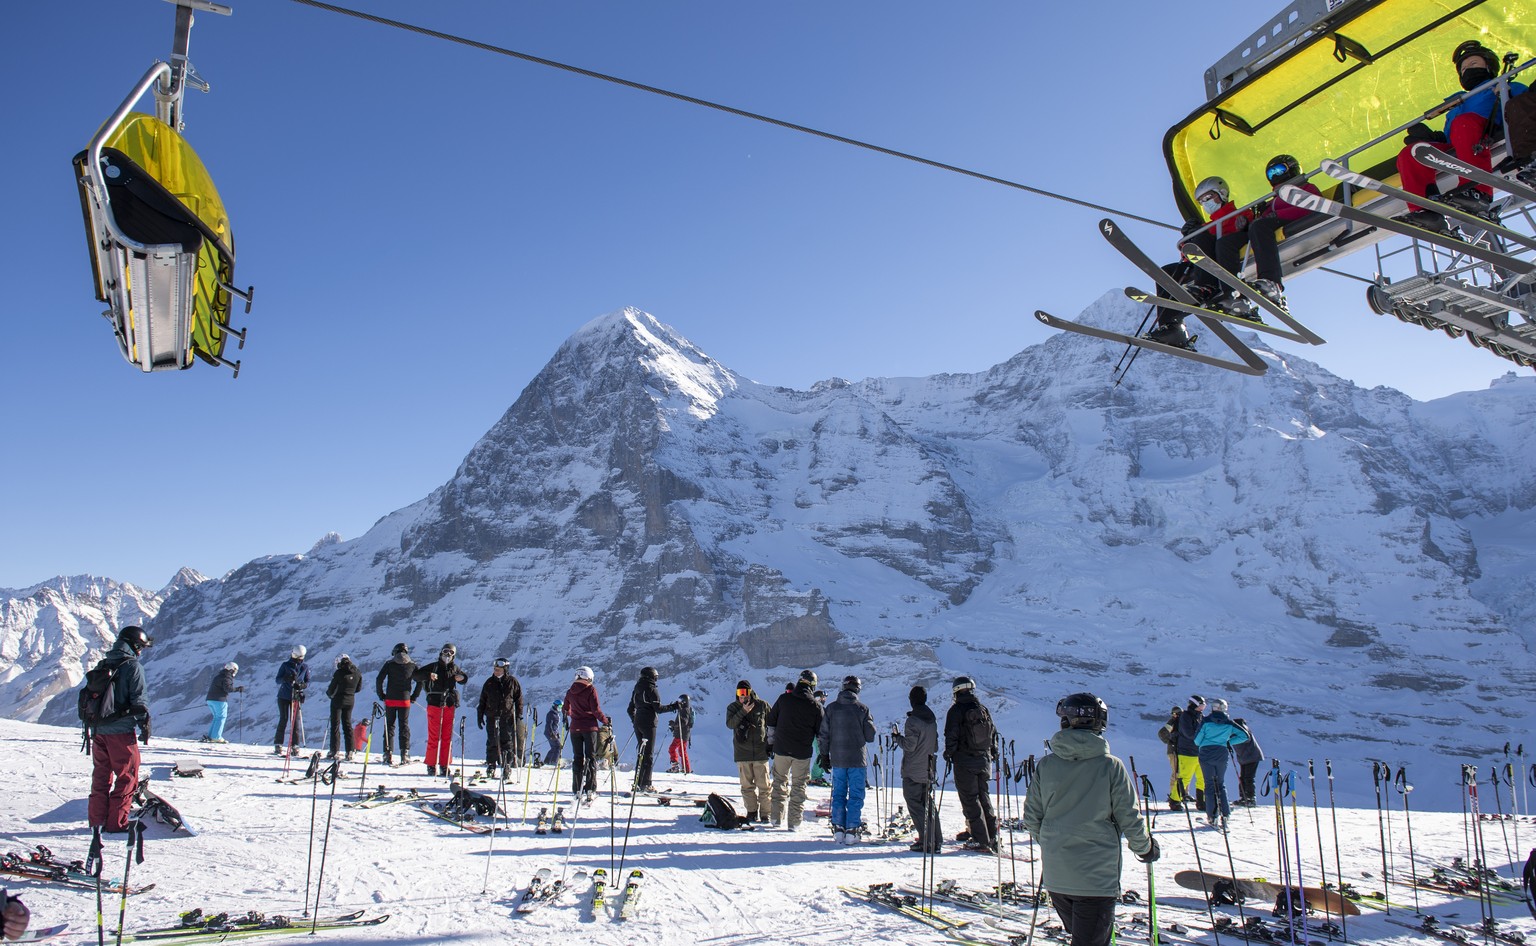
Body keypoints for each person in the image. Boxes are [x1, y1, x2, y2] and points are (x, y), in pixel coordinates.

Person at [1023, 693, 1158, 946]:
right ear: (1099, 723)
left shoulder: (1046, 765)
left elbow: (1032, 818)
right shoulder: (1111, 766)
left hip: (1057, 877)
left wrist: (1054, 841)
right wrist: (1146, 848)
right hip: (1096, 879)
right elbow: (1129, 816)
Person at [1395, 41, 1527, 231]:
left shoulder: (1505, 85)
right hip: (1461, 141)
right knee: (1408, 154)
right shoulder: (1456, 102)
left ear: (1489, 66)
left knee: (1464, 123)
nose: (1467, 71)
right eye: (1463, 69)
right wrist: (1431, 137)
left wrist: (1505, 92)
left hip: (1488, 134)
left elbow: (1525, 106)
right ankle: (1426, 212)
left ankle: (1479, 192)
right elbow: (1450, 137)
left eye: (1473, 64)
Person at [1145, 176, 1256, 350]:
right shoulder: (1209, 225)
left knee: (1203, 235)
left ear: (1222, 194)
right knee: (1167, 272)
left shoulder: (1239, 214)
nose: (1206, 203)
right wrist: (1187, 240)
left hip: (1225, 259)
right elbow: (1195, 250)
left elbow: (1235, 233)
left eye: (1209, 197)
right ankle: (1171, 327)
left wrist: (1199, 234)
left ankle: (1207, 287)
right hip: (1204, 262)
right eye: (1202, 201)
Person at [1239, 153, 1324, 313]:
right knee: (1249, 230)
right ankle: (1232, 295)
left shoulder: (1305, 188)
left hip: (1295, 220)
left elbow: (1312, 206)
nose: (1276, 176)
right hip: (1272, 224)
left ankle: (1272, 282)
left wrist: (1278, 215)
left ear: (1292, 168)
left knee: (1259, 227)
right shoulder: (1272, 200)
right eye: (1271, 174)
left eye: (1279, 170)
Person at [88, 625, 152, 835]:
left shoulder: (105, 663)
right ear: (133, 645)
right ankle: (117, 822)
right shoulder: (132, 666)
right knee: (127, 776)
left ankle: (96, 820)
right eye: (140, 647)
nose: (141, 651)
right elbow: (139, 700)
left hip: (98, 731)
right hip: (120, 733)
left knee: (101, 776)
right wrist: (144, 723)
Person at [944, 676, 998, 853]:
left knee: (970, 800)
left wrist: (949, 753)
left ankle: (980, 840)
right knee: (984, 798)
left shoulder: (956, 710)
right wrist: (992, 752)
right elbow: (993, 733)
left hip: (964, 761)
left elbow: (951, 735)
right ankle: (993, 837)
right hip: (984, 760)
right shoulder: (982, 709)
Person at [820, 675, 876, 844]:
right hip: (857, 760)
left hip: (837, 759)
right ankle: (852, 829)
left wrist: (824, 756)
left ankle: (838, 828)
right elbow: (870, 736)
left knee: (838, 793)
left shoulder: (831, 708)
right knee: (856, 795)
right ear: (857, 689)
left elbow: (823, 735)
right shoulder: (862, 709)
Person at [765, 670, 824, 830]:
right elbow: (822, 734)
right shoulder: (816, 706)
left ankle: (776, 819)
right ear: (813, 685)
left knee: (779, 783)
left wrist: (770, 744)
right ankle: (794, 822)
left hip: (781, 749)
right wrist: (824, 755)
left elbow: (771, 721)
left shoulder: (784, 699)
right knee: (798, 787)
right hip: (802, 753)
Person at [890, 684, 941, 853]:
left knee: (915, 804)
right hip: (928, 768)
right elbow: (935, 746)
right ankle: (936, 839)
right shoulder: (932, 720)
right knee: (928, 804)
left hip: (913, 769)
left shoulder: (913, 720)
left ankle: (926, 840)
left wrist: (898, 738)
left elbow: (910, 746)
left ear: (911, 701)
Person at [412, 644, 468, 776]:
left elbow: (463, 678)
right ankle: (431, 765)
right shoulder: (433, 666)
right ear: (441, 652)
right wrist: (428, 675)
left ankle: (444, 764)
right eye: (445, 651)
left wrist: (462, 678)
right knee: (434, 735)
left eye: (451, 652)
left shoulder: (454, 668)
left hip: (449, 704)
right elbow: (416, 676)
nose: (447, 655)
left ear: (454, 655)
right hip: (434, 703)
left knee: (447, 736)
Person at [1193, 698, 1249, 830]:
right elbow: (1244, 736)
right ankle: (1226, 814)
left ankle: (1212, 816)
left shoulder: (1206, 721)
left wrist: (1206, 742)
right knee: (1220, 783)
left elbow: (1197, 740)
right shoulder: (1229, 723)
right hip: (1221, 753)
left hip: (1206, 753)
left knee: (1209, 784)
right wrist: (1227, 741)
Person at [626, 667, 678, 792]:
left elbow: (630, 709)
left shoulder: (637, 688)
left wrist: (635, 720)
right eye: (656, 676)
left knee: (641, 752)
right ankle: (646, 784)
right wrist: (674, 706)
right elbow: (658, 708)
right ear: (652, 677)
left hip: (638, 722)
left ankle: (637, 783)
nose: (656, 679)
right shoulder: (652, 688)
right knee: (648, 754)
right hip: (649, 723)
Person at [726, 680, 770, 823]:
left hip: (760, 752)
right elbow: (730, 724)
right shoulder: (733, 707)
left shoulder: (762, 705)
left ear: (750, 692)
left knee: (764, 786)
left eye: (745, 693)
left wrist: (771, 745)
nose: (742, 697)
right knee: (747, 786)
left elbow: (772, 723)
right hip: (742, 753)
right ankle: (751, 812)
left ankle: (765, 814)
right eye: (739, 693)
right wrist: (743, 711)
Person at [563, 667, 609, 802]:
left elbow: (566, 710)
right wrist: (605, 721)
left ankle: (576, 789)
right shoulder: (590, 690)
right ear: (589, 677)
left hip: (575, 728)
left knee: (577, 758)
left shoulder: (570, 691)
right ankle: (590, 789)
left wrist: (575, 716)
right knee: (590, 758)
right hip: (590, 728)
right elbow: (595, 710)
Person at [477, 657, 523, 779]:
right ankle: (491, 764)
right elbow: (482, 700)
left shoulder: (512, 682)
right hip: (492, 716)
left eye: (498, 669)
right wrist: (480, 715)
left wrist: (518, 715)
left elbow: (518, 700)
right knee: (492, 741)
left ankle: (507, 764)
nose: (496, 671)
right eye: (495, 669)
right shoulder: (489, 682)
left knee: (507, 742)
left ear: (505, 669)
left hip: (507, 717)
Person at [375, 643, 419, 766]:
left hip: (390, 699)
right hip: (405, 700)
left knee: (389, 726)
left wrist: (381, 695)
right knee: (404, 726)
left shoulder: (389, 664)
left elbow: (379, 679)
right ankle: (405, 754)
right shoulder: (412, 665)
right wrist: (414, 696)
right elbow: (420, 681)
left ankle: (387, 754)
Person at [273, 646, 310, 756]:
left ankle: (295, 745)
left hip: (295, 696)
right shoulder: (285, 665)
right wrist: (286, 678)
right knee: (284, 719)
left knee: (295, 721)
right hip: (284, 696)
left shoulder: (304, 667)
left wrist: (302, 686)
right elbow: (277, 680)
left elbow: (307, 681)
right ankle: (278, 744)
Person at [324, 655, 363, 761]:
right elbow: (358, 688)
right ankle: (350, 751)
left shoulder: (339, 673)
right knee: (347, 725)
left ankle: (334, 750)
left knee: (335, 725)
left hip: (337, 700)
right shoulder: (357, 672)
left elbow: (332, 688)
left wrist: (329, 694)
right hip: (350, 700)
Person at [1173, 694, 1206, 811]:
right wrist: (1203, 737)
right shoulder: (1186, 716)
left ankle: (1201, 801)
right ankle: (1175, 800)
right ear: (1194, 705)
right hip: (1187, 751)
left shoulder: (1201, 716)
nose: (1203, 708)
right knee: (1185, 777)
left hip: (1199, 752)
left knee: (1202, 777)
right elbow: (1189, 733)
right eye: (1201, 705)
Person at [203, 662, 243, 743]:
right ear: (232, 670)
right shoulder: (227, 677)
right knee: (221, 717)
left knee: (216, 717)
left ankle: (211, 736)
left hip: (210, 699)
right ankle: (216, 737)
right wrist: (237, 689)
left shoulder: (219, 676)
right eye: (235, 670)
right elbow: (228, 688)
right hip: (219, 700)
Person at [1231, 716, 1265, 807]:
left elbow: (1246, 739)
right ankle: (1244, 797)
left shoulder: (1242, 730)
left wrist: (1229, 740)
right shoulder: (1240, 729)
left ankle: (1250, 798)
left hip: (1251, 757)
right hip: (1246, 758)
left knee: (1248, 778)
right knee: (1243, 777)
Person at [1157, 706, 1182, 810]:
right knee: (1176, 773)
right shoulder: (1172, 722)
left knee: (1180, 773)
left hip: (1177, 750)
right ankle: (1174, 794)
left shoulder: (1176, 721)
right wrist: (1171, 742)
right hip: (1174, 751)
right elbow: (1162, 733)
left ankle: (1181, 794)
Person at [666, 694, 695, 774]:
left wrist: (674, 724)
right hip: (684, 734)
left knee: (672, 748)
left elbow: (683, 722)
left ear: (684, 701)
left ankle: (675, 766)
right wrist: (674, 727)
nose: (678, 702)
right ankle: (687, 768)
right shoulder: (685, 709)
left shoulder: (685, 710)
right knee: (682, 751)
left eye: (680, 700)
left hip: (681, 735)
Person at [809, 690, 830, 786]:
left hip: (820, 735)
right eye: (823, 697)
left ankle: (818, 776)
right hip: (817, 735)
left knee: (822, 754)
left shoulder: (820, 708)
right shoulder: (816, 708)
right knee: (821, 754)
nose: (824, 699)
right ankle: (815, 777)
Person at [542, 700, 564, 767]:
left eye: (561, 707)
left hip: (553, 733)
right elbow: (549, 724)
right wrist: (552, 734)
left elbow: (555, 726)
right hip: (550, 733)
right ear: (555, 705)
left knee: (554, 747)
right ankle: (554, 762)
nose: (560, 708)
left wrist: (556, 733)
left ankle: (547, 761)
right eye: (559, 706)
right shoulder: (551, 714)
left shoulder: (555, 713)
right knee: (558, 747)